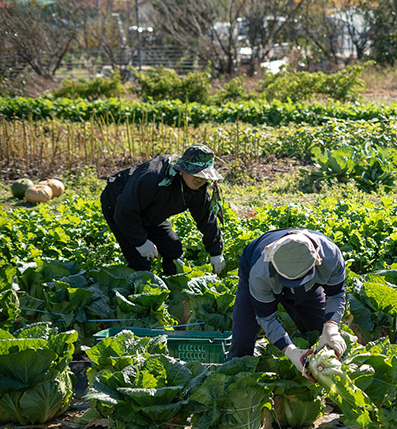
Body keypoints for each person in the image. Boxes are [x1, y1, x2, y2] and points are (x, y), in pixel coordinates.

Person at [228, 229, 347, 379]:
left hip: (308, 286)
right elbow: (266, 317)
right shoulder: (260, 273)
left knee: (318, 330)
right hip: (258, 271)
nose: (293, 286)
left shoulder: (331, 256)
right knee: (242, 339)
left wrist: (331, 327)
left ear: (316, 260)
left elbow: (336, 294)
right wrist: (290, 351)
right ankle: (236, 384)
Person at [100, 144, 225, 276]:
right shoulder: (152, 177)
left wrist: (216, 252)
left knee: (173, 249)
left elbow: (205, 217)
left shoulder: (197, 187)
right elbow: (124, 212)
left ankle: (173, 288)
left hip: (153, 212)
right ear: (182, 169)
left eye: (203, 175)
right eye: (195, 172)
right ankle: (133, 292)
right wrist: (140, 242)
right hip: (119, 207)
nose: (199, 178)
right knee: (140, 262)